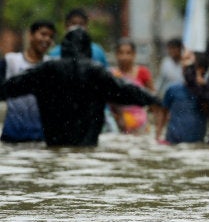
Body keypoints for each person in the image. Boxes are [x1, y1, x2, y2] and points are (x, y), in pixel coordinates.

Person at [0, 28, 160, 147]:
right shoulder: (97, 73)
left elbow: (10, 87)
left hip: (54, 147)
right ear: (88, 48)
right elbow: (127, 91)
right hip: (86, 149)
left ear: (64, 47)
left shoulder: (46, 70)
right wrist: (156, 101)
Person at [0, 20, 56, 143]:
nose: (46, 40)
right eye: (43, 34)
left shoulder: (52, 66)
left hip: (41, 139)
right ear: (31, 35)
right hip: (11, 138)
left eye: (51, 37)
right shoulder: (11, 61)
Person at [155, 59, 207, 144]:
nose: (189, 73)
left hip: (196, 142)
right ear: (183, 71)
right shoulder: (172, 89)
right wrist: (158, 135)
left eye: (192, 70)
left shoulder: (204, 91)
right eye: (187, 69)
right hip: (173, 140)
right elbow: (163, 112)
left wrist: (203, 88)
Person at [110, 38, 155, 134]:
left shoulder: (143, 72)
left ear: (134, 55)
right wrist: (120, 116)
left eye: (128, 53)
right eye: (121, 53)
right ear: (116, 55)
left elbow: (152, 98)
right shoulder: (111, 74)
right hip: (117, 123)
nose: (124, 57)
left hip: (140, 123)